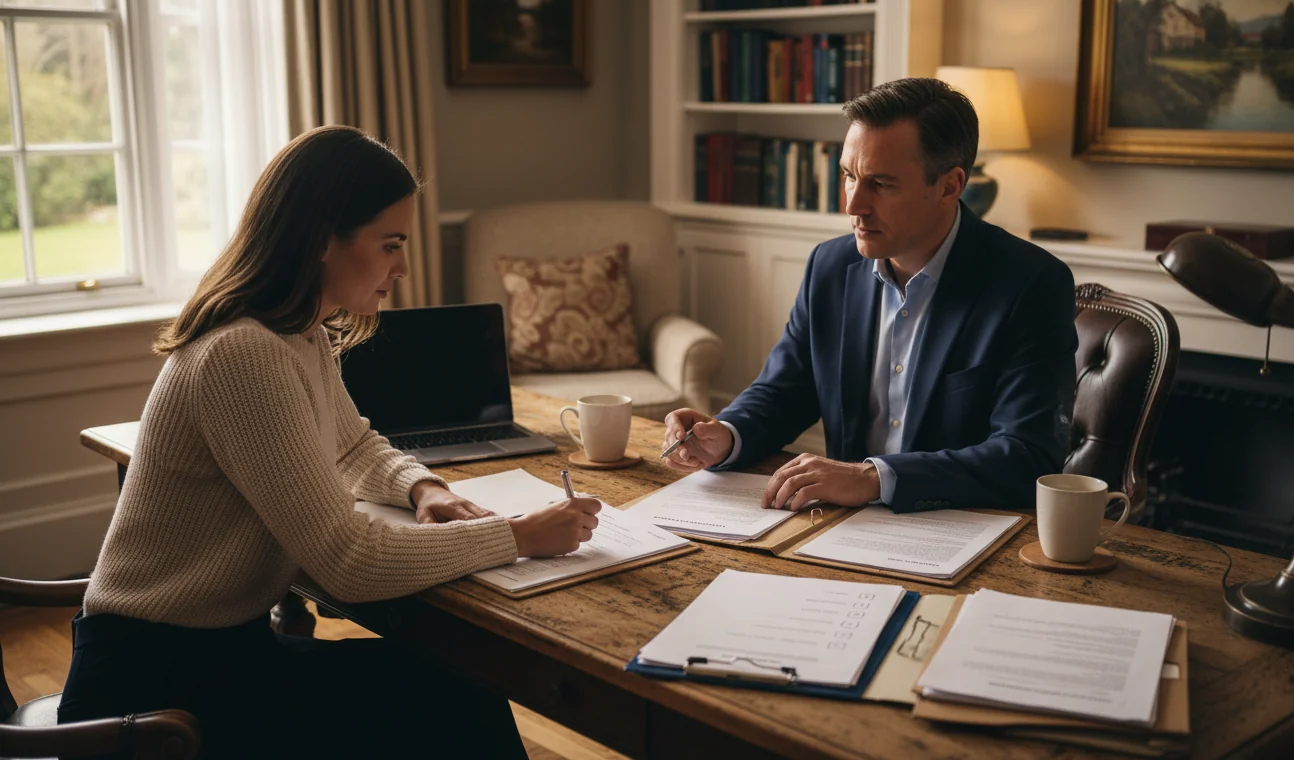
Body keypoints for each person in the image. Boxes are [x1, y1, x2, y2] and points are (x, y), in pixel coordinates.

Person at [58, 126, 598, 758]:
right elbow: (349, 562)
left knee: (455, 692)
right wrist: (518, 536)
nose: (402, 267)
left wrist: (423, 488)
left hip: (217, 652)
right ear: (320, 239)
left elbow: (351, 447)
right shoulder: (243, 354)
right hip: (152, 691)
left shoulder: (297, 333)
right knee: (459, 701)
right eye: (390, 244)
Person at [663, 78, 1078, 514]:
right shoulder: (829, 266)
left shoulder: (1031, 283)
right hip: (841, 527)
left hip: (962, 530)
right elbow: (785, 391)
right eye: (848, 176)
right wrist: (726, 435)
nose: (853, 205)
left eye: (880, 184)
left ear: (949, 186)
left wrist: (873, 478)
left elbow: (1027, 455)